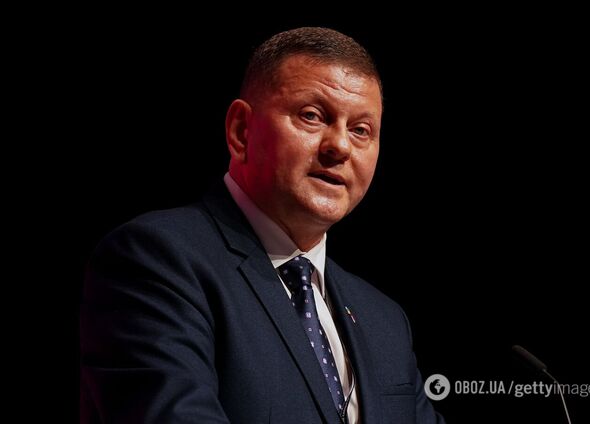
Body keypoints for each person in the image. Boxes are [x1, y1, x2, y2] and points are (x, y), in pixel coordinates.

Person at [80, 27, 445, 424]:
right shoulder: (157, 261)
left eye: (361, 130)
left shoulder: (385, 320)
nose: (340, 146)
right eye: (312, 116)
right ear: (241, 131)